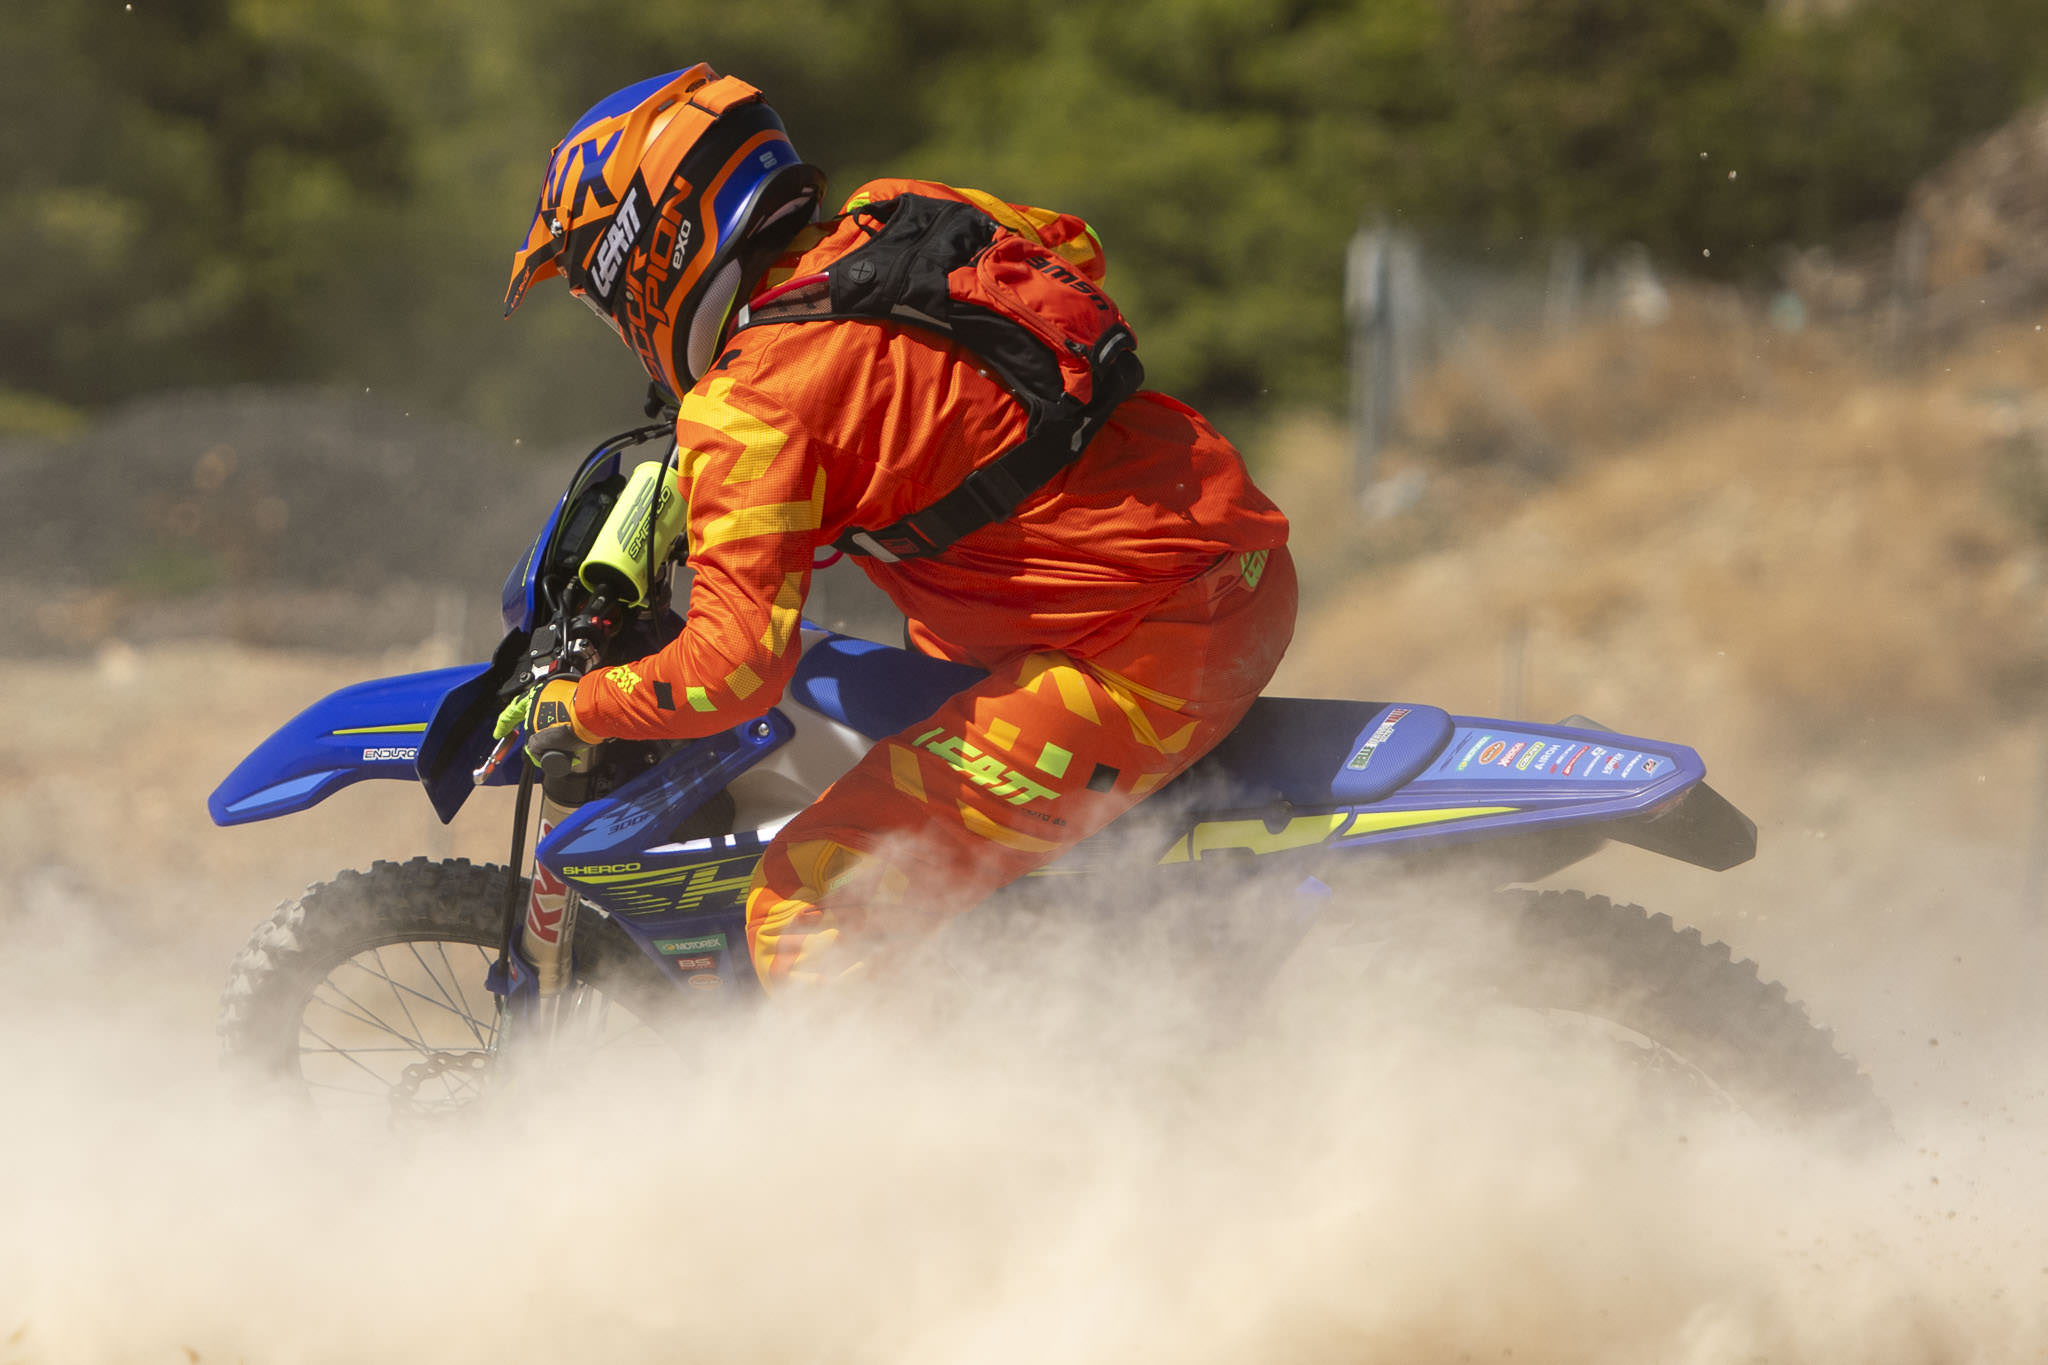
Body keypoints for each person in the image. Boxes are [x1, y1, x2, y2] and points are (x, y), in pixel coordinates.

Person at [499, 65, 1295, 991]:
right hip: (1223, 553)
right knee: (909, 686)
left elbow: (733, 672)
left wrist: (581, 704)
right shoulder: (900, 207)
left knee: (802, 901)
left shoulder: (752, 405)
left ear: (647, 255)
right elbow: (1076, 250)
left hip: (1144, 651)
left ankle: (939, 1094)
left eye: (602, 299)